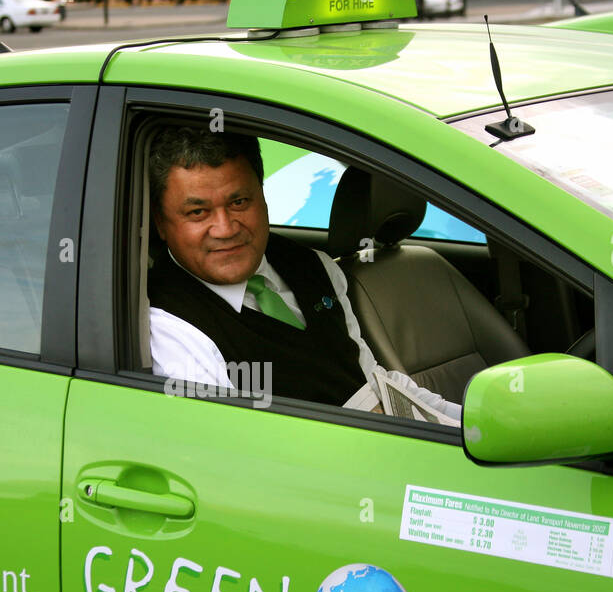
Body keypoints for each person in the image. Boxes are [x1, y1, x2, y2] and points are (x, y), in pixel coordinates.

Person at [146, 125, 461, 424]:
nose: (226, 229)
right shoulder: (167, 324)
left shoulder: (314, 265)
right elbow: (234, 447)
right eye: (197, 212)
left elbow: (370, 378)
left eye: (239, 202)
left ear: (264, 197)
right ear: (161, 223)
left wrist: (464, 422)